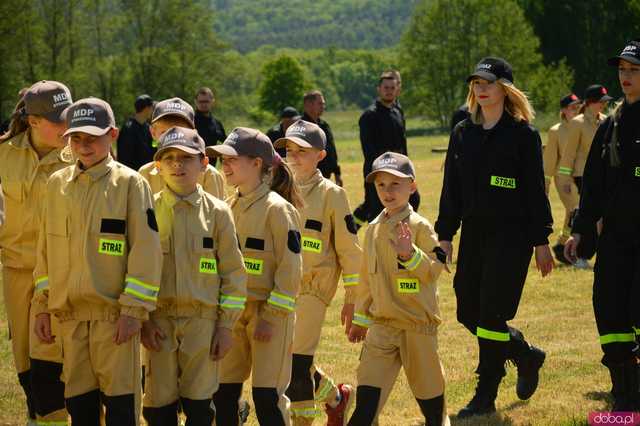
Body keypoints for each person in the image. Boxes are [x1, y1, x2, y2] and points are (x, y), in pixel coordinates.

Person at [435, 57, 554, 418]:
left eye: (487, 82)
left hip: (511, 238)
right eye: (476, 82)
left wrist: (542, 240)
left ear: (505, 88)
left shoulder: (523, 135)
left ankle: (485, 394)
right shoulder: (462, 133)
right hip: (473, 235)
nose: (480, 88)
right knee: (467, 311)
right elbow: (451, 189)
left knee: (490, 315)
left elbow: (535, 191)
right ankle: (522, 353)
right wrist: (445, 236)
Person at [32, 97, 162, 426]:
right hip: (70, 320)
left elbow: (146, 253)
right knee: (80, 408)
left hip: (114, 321)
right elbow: (45, 251)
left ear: (113, 134)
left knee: (120, 409)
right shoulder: (56, 186)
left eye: (92, 137)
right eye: (76, 138)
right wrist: (42, 306)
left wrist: (133, 312)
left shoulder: (131, 185)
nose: (84, 145)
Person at [141, 126, 247, 425]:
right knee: (158, 407)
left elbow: (233, 273)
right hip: (158, 322)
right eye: (170, 158)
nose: (177, 165)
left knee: (200, 406)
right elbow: (134, 268)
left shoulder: (218, 213)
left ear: (203, 164)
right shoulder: (146, 209)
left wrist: (226, 327)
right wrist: (144, 319)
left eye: (187, 158)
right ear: (157, 165)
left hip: (203, 323)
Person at [564, 39, 640, 412]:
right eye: (622, 70)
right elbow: (591, 185)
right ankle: (625, 400)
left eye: (634, 70)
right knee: (609, 312)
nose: (625, 77)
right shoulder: (610, 126)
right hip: (615, 239)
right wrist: (579, 230)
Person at [209, 128, 303, 426]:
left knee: (266, 399)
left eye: (233, 159)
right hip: (234, 315)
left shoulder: (278, 210)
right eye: (223, 159)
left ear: (257, 164)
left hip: (268, 317)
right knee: (223, 395)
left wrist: (272, 317)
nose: (224, 165)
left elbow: (290, 270)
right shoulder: (226, 206)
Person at [347, 152, 449, 426]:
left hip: (417, 327)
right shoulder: (373, 229)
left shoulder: (419, 226)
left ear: (412, 186)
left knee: (432, 407)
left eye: (395, 184)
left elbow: (433, 270)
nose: (388, 192)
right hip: (382, 328)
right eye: (381, 185)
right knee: (365, 404)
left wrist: (409, 254)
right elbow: (367, 278)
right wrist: (360, 319)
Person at [273, 120, 362, 425]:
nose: (293, 157)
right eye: (289, 150)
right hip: (279, 289)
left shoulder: (332, 195)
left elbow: (350, 251)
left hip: (313, 290)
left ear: (321, 156)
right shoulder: (276, 189)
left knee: (296, 365)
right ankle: (336, 398)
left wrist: (353, 299)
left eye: (302, 151)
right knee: (285, 360)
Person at [0, 80, 73, 425]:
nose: (68, 128)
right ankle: (36, 417)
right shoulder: (3, 154)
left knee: (56, 359)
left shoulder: (82, 156)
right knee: (25, 360)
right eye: (59, 120)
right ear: (33, 121)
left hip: (62, 275)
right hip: (16, 273)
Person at [353, 72, 420, 228]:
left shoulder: (397, 112)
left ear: (397, 89)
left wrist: (407, 169)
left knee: (413, 199)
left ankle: (400, 235)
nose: (389, 90)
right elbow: (369, 150)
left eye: (392, 87)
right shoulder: (369, 116)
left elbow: (403, 144)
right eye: (385, 87)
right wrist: (384, 172)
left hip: (400, 172)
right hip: (377, 172)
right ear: (379, 89)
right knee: (375, 208)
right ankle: (354, 232)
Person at [557, 84, 612, 268]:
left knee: (602, 218)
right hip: (580, 177)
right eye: (599, 102)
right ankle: (580, 255)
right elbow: (569, 154)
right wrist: (565, 180)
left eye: (604, 102)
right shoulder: (577, 123)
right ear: (589, 103)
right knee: (586, 217)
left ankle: (594, 254)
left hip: (602, 177)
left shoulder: (607, 121)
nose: (602, 105)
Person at [138, 97, 225, 199]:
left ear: (193, 133)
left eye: (180, 132)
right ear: (153, 132)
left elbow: (216, 212)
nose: (172, 139)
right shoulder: (145, 174)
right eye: (165, 133)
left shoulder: (210, 175)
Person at [543, 93, 582, 264]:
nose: (576, 110)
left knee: (574, 213)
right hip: (563, 179)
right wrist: (546, 180)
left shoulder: (582, 126)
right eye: (572, 107)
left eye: (578, 106)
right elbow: (550, 158)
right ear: (564, 110)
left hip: (582, 178)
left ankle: (562, 244)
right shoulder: (556, 131)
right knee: (575, 210)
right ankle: (575, 251)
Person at [302, 91, 342, 186]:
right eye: (320, 103)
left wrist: (337, 173)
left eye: (323, 104)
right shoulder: (300, 128)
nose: (323, 106)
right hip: (307, 178)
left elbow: (332, 150)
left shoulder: (324, 125)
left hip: (325, 177)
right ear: (308, 105)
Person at [116, 94, 155, 171]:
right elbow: (124, 158)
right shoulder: (128, 129)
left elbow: (153, 147)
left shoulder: (148, 127)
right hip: (132, 175)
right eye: (152, 108)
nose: (153, 110)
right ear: (147, 108)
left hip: (147, 173)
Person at [194, 87, 226, 166]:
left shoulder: (217, 124)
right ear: (195, 102)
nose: (204, 104)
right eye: (201, 101)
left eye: (206, 101)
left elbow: (226, 143)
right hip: (192, 169)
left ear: (212, 101)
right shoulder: (189, 122)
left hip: (211, 169)